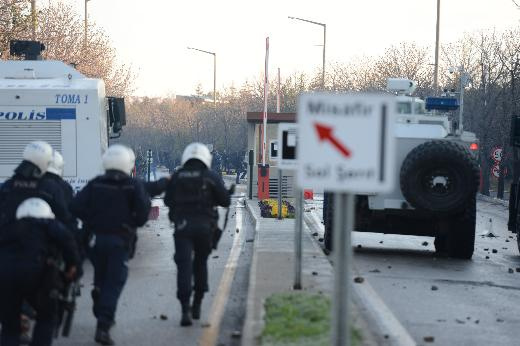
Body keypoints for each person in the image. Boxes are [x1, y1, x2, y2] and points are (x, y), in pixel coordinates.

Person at [70, 144, 150, 345]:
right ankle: (103, 326)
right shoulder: (133, 185)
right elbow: (141, 216)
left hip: (96, 240)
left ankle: (98, 289)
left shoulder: (96, 183)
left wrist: (93, 220)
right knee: (114, 282)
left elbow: (76, 206)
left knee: (102, 274)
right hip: (119, 240)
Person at [164, 142, 232, 326]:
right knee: (200, 263)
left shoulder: (178, 176)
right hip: (205, 228)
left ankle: (185, 309)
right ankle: (198, 303)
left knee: (184, 265)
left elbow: (167, 201)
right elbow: (225, 201)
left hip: (182, 227)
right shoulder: (211, 176)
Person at [0, 198, 80, 346]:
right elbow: (68, 241)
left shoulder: (8, 227)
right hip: (37, 276)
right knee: (46, 318)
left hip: (5, 276)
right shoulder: (48, 224)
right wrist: (73, 266)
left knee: (9, 326)